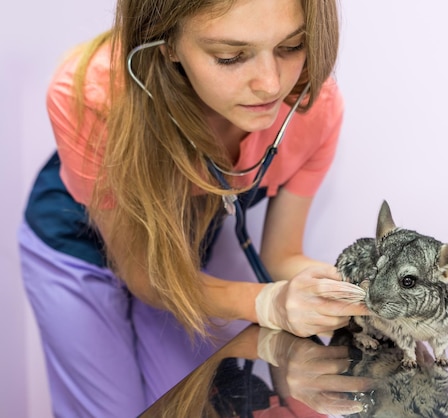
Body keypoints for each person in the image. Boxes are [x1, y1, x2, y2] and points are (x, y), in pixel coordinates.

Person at [18, 0, 369, 416]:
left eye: (291, 46)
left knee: (191, 401)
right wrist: (268, 303)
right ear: (166, 44)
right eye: (230, 56)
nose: (271, 84)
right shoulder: (89, 94)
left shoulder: (315, 107)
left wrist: (351, 292)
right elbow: (144, 273)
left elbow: (281, 256)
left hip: (185, 251)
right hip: (77, 244)